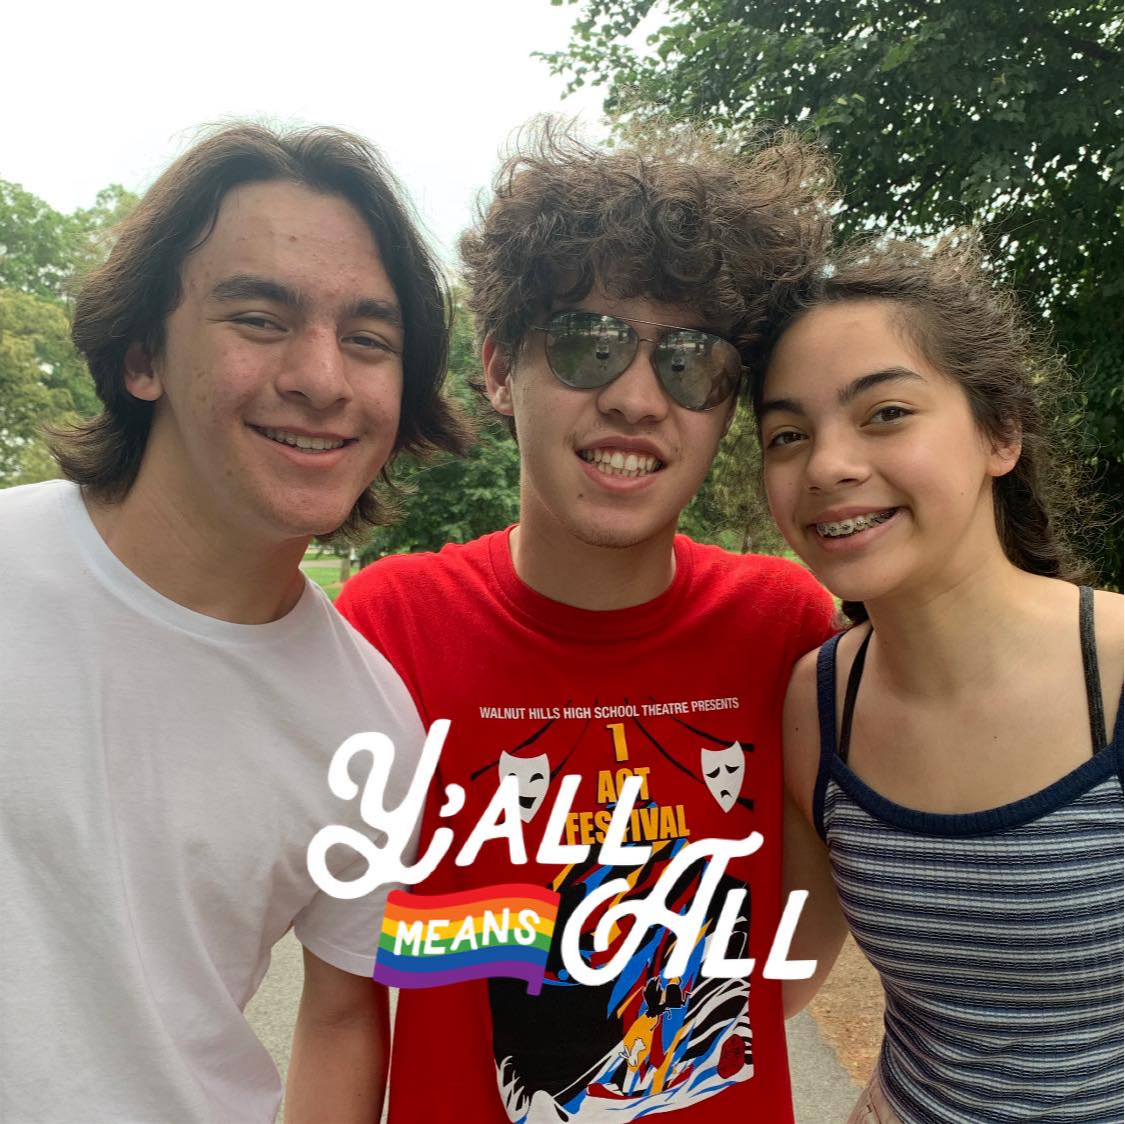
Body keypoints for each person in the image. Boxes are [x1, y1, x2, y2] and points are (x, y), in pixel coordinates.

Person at [337, 120, 838, 1124]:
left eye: (691, 361)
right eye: (586, 343)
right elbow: (344, 998)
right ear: (498, 369)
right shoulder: (391, 625)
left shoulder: (786, 626)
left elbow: (805, 931)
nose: (637, 399)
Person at [0, 123, 467, 1122]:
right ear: (143, 356)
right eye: (259, 318)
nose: (322, 378)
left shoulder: (371, 726)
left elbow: (343, 1014)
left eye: (369, 339)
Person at [752, 236, 1124, 1123]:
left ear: (1000, 434)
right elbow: (778, 975)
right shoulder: (817, 704)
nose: (827, 465)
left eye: (884, 412)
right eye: (787, 435)